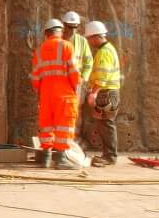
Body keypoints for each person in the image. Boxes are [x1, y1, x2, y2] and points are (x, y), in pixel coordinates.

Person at [29, 17, 82, 169]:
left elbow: (35, 78)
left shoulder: (39, 51)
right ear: (60, 31)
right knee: (64, 126)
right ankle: (61, 160)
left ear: (46, 33)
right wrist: (74, 88)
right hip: (64, 94)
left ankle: (45, 158)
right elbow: (74, 73)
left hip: (46, 94)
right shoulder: (66, 46)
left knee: (46, 126)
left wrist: (41, 90)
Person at [83, 19, 122, 166]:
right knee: (105, 124)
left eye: (89, 39)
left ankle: (110, 156)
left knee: (106, 125)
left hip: (106, 93)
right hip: (109, 93)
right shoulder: (108, 49)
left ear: (95, 36)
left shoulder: (104, 52)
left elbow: (102, 75)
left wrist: (94, 93)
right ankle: (108, 155)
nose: (90, 42)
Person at [61, 9, 91, 145]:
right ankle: (60, 142)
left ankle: (73, 140)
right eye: (69, 26)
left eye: (75, 27)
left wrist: (83, 78)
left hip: (75, 83)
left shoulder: (82, 41)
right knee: (59, 111)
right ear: (63, 25)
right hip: (60, 82)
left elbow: (88, 61)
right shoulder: (57, 40)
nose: (72, 30)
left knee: (74, 111)